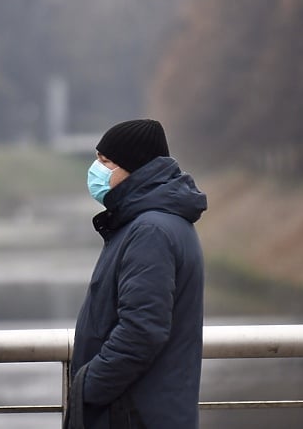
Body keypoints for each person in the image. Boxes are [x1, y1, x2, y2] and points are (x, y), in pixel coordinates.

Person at [65, 118, 207, 429]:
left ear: (135, 168)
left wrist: (89, 387)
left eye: (105, 162)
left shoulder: (150, 231)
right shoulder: (152, 223)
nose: (96, 170)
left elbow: (142, 330)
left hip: (133, 415)